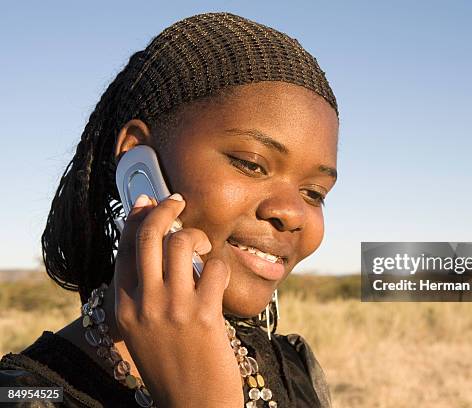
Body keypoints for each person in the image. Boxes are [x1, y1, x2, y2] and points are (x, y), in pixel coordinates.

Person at [0, 12, 338, 408]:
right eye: (251, 163)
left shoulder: (293, 367)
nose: (293, 212)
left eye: (314, 193)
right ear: (138, 162)